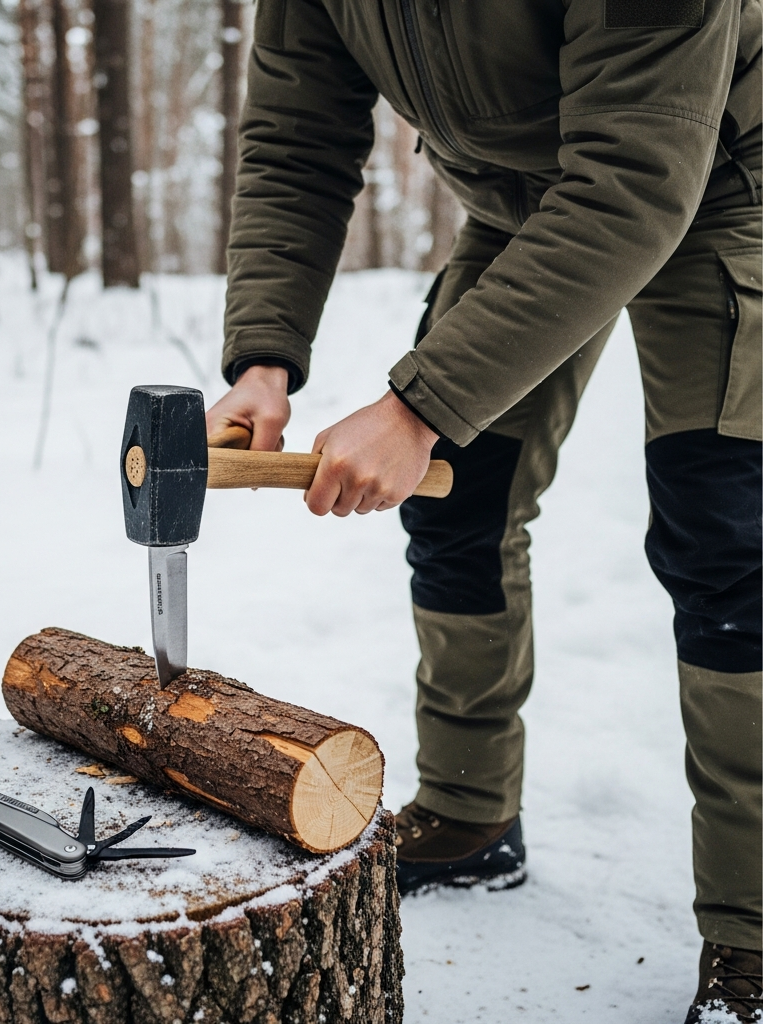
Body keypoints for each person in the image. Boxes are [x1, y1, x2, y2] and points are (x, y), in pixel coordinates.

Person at [204, 0, 762, 1018]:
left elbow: (634, 183)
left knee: (730, 546)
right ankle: (467, 813)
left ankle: (756, 937)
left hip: (725, 183)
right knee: (457, 503)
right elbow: (296, 137)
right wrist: (263, 356)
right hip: (523, 209)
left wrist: (418, 405)